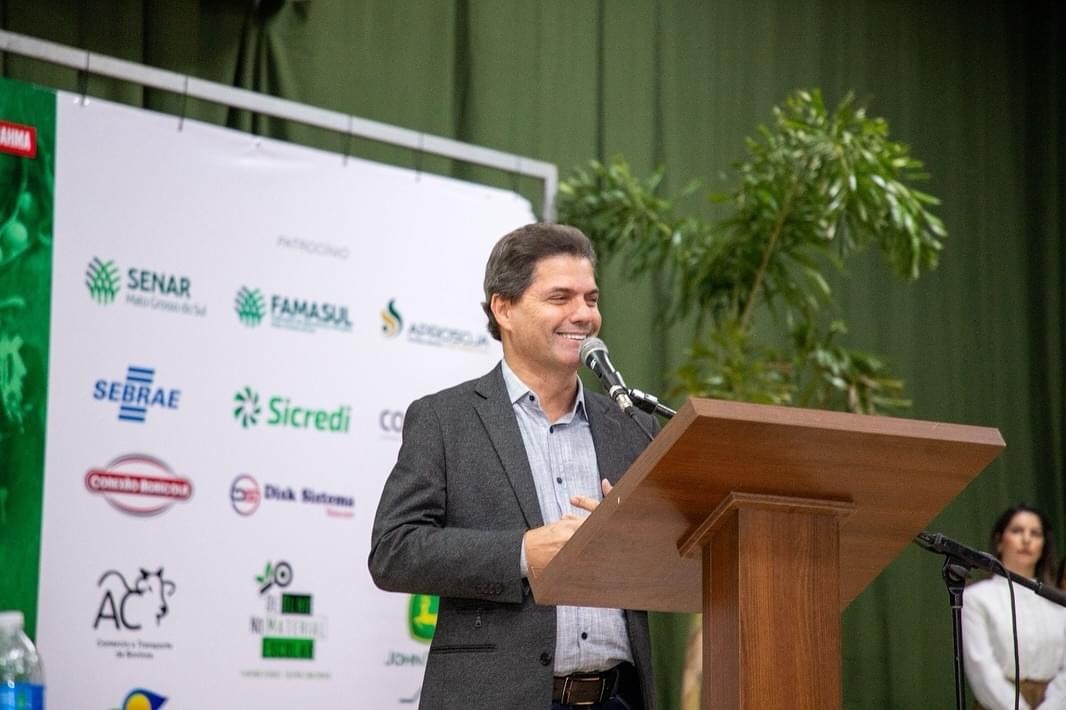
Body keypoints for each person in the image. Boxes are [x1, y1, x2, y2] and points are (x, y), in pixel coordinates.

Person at [369, 223, 657, 710]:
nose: (583, 315)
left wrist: (634, 537)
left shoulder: (630, 423)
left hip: (617, 697)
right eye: (560, 297)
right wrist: (522, 552)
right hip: (495, 697)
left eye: (590, 298)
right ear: (503, 308)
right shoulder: (445, 419)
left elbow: (668, 559)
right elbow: (394, 551)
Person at [961, 503, 1066, 709]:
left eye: (1035, 534)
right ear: (1000, 542)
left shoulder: (1058, 602)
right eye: (1017, 531)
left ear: (1043, 545)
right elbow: (981, 667)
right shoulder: (977, 598)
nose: (1026, 539)